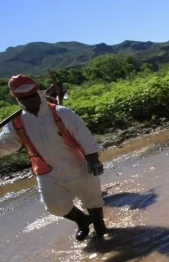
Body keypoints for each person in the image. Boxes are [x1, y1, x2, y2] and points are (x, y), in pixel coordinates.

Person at [0, 75, 107, 241]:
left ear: (39, 92)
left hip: (77, 164)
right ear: (17, 99)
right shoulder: (15, 123)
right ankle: (82, 221)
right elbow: (8, 144)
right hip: (47, 171)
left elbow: (83, 135)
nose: (30, 100)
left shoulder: (60, 112)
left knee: (92, 199)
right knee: (55, 206)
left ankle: (101, 229)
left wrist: (93, 159)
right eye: (24, 98)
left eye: (32, 95)